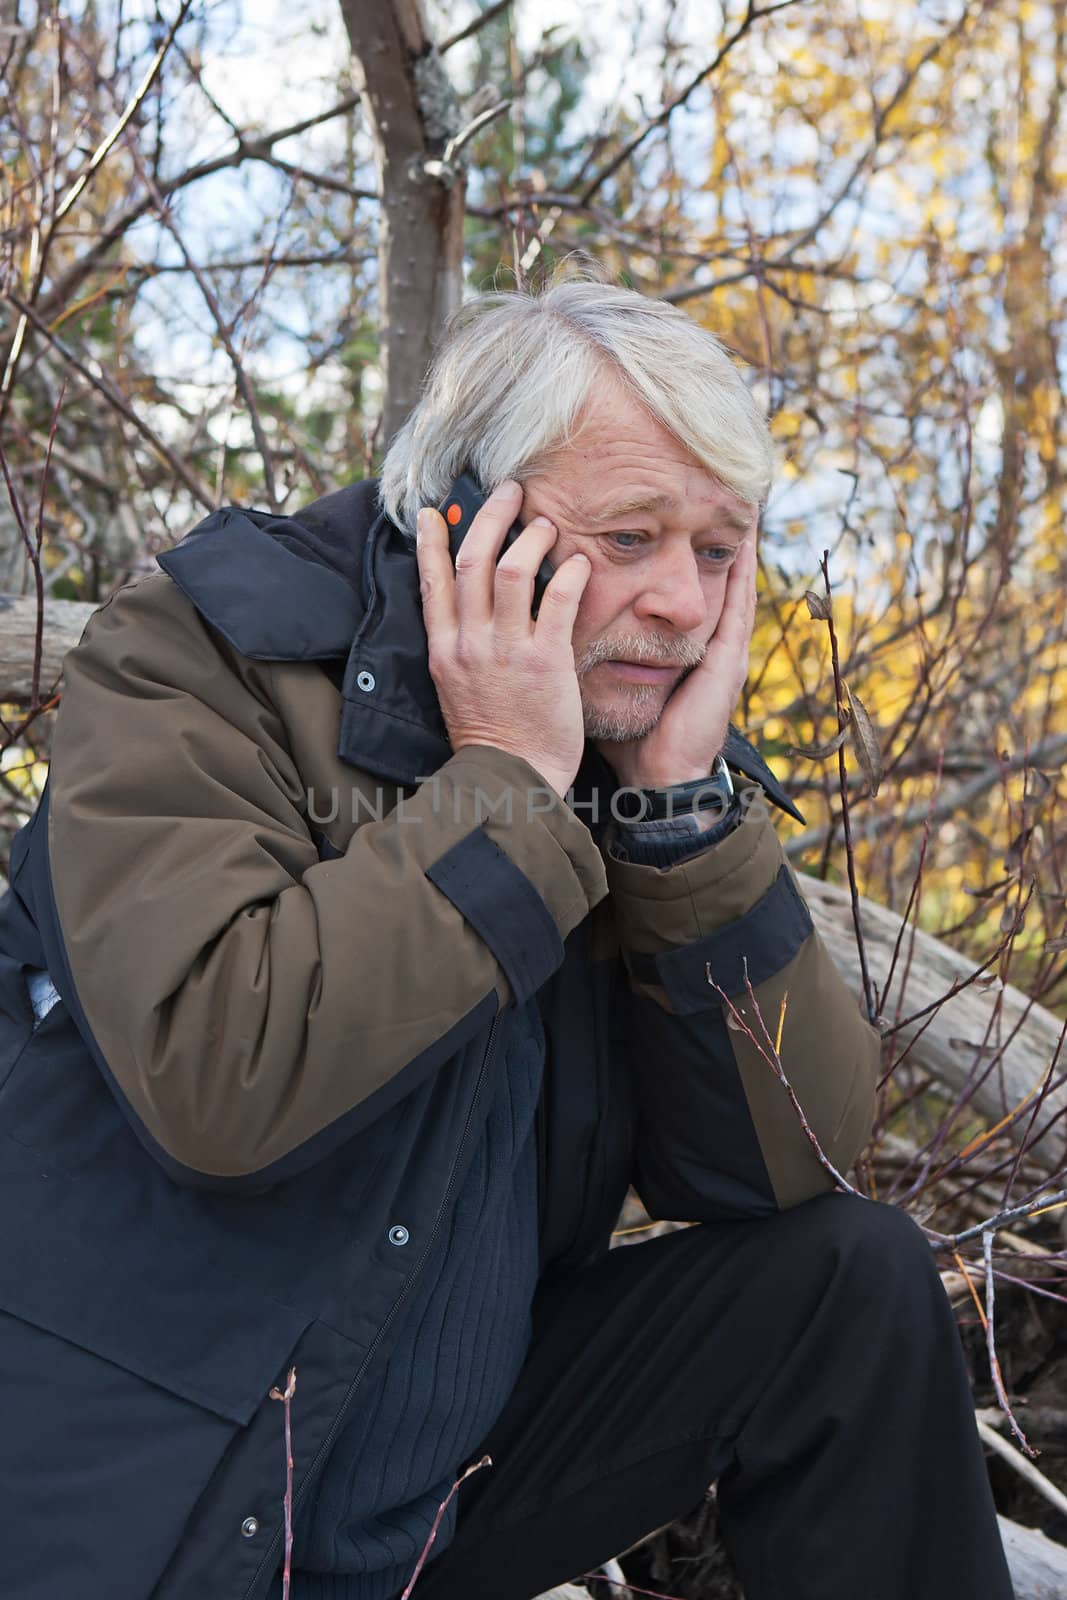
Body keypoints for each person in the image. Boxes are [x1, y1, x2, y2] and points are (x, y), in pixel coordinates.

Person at [0, 275, 1012, 1600]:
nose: (683, 605)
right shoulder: (207, 655)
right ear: (465, 521)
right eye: (633, 537)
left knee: (852, 1286)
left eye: (718, 552)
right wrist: (506, 787)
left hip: (434, 1511)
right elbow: (218, 1079)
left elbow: (784, 1170)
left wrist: (683, 820)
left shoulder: (622, 756)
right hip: (151, 1509)